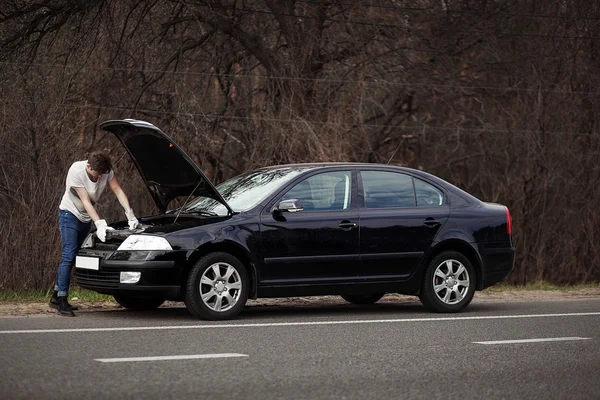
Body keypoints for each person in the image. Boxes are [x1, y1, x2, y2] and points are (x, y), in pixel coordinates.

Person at [50, 151, 139, 316]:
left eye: (102, 175)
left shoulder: (106, 171)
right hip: (70, 214)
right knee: (68, 255)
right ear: (88, 166)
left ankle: (55, 295)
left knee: (76, 254)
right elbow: (85, 201)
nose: (99, 178)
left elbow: (117, 190)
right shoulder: (76, 171)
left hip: (85, 217)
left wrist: (130, 213)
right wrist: (99, 223)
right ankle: (62, 299)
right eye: (96, 174)